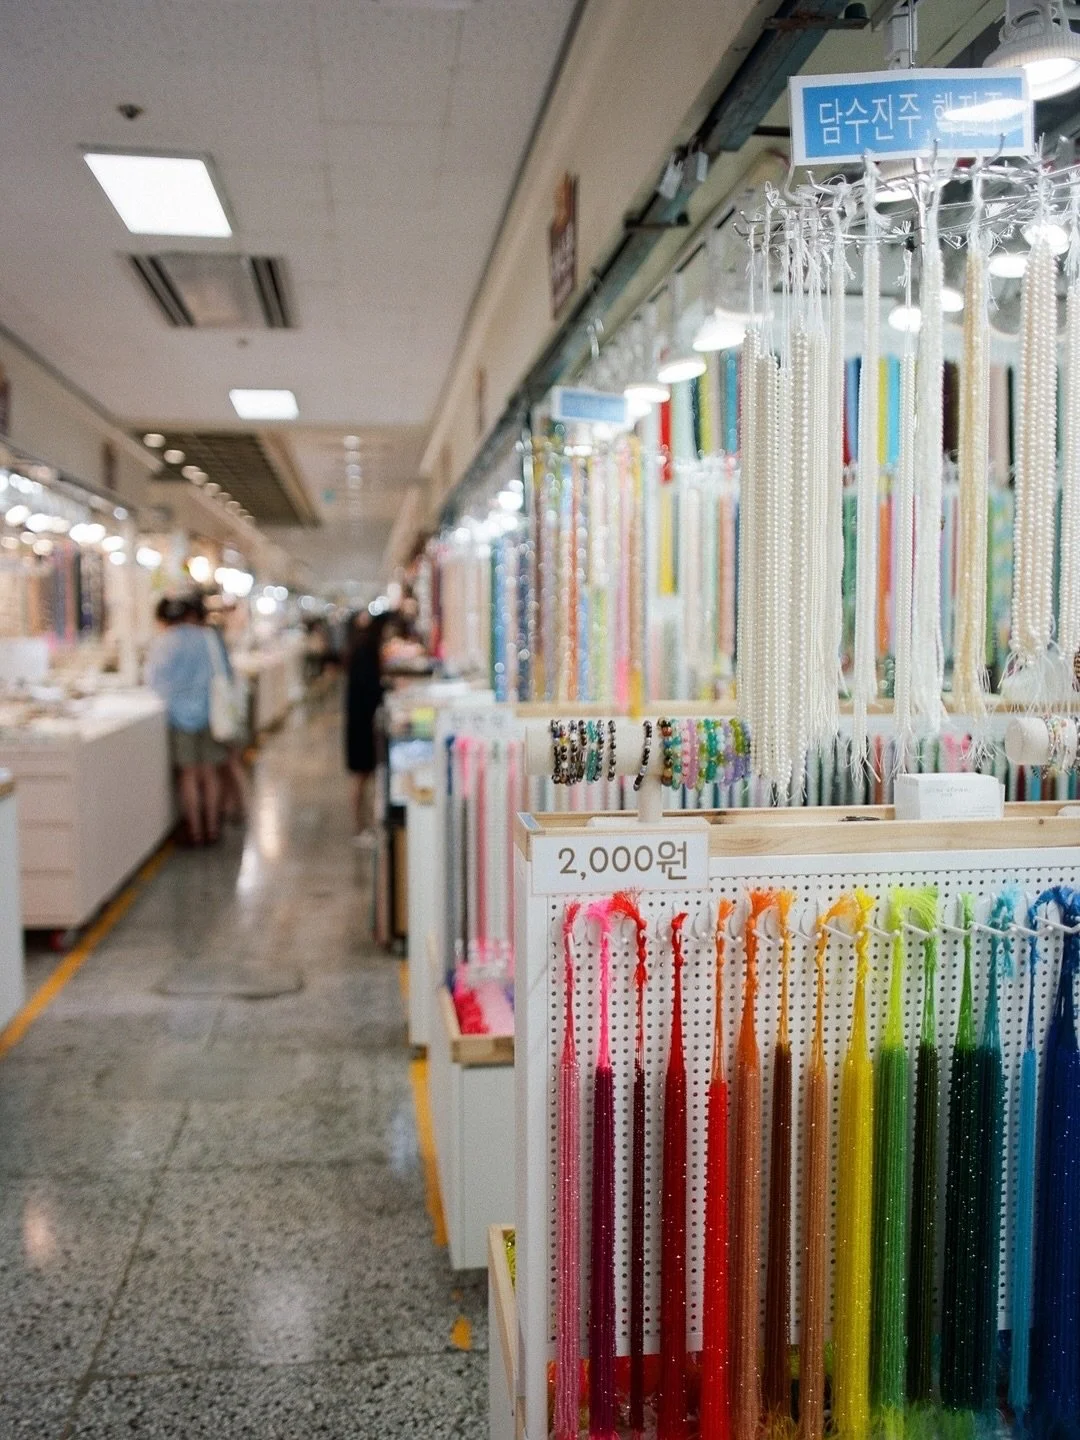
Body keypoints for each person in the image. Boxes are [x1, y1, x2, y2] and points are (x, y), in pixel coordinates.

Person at [147, 594, 224, 845]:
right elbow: (220, 672)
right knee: (209, 772)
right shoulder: (206, 638)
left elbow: (154, 682)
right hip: (210, 712)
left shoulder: (165, 643)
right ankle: (213, 827)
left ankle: (195, 829)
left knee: (188, 775)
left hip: (180, 717)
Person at [344, 611, 388, 842]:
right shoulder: (365, 653)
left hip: (359, 722)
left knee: (362, 777)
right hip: (362, 725)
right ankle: (360, 826)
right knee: (361, 777)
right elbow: (370, 688)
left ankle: (363, 825)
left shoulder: (359, 650)